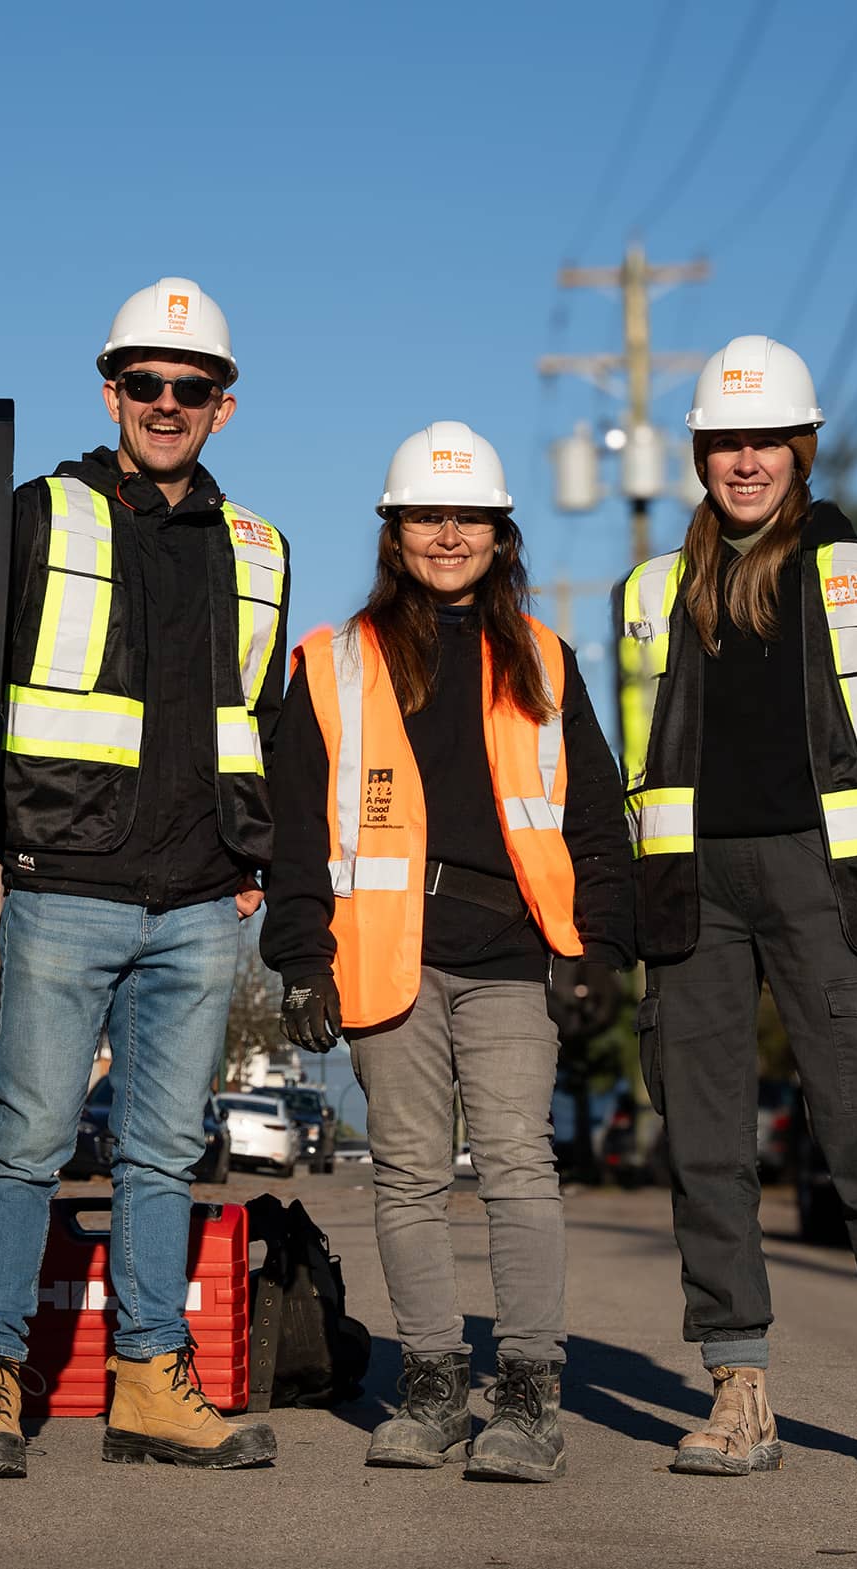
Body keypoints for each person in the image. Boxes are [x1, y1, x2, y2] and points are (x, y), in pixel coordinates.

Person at [0, 277, 288, 1478]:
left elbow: (264, 719)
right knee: (24, 1139)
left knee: (161, 1153)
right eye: (145, 384)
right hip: (65, 883)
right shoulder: (40, 516)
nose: (166, 404)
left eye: (191, 388)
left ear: (223, 407)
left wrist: (254, 859)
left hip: (195, 901)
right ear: (111, 392)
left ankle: (147, 1377)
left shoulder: (259, 549)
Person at [617, 335, 857, 1487]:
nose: (745, 459)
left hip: (826, 881)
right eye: (725, 442)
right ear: (699, 455)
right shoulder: (651, 594)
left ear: (801, 450)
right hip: (693, 889)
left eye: (765, 439)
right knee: (707, 1144)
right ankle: (738, 1390)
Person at [262, 423, 632, 1482]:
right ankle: (429, 1387)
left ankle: (526, 1395)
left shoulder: (547, 661)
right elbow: (295, 828)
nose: (448, 534)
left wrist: (601, 947)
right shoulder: (332, 662)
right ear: (394, 531)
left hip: (514, 952)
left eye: (468, 516)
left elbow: (596, 822)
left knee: (518, 1166)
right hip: (385, 954)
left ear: (500, 533)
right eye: (428, 515)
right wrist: (299, 958)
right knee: (410, 1174)